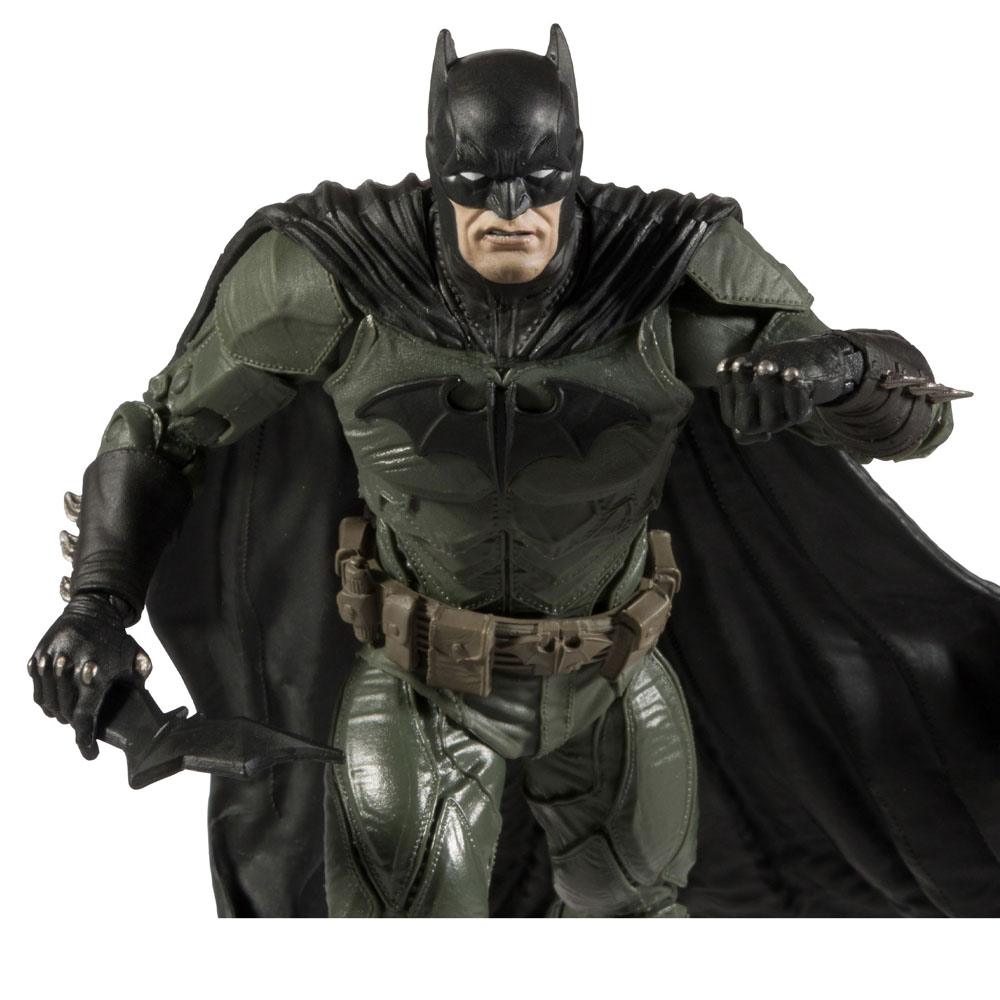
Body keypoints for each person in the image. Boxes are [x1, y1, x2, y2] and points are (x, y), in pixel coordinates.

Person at [28, 26, 999, 917]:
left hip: (613, 672)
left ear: (572, 162)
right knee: (401, 934)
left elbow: (908, 416)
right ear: (436, 166)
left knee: (639, 913)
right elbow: (163, 431)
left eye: (537, 181)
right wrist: (96, 603)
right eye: (477, 182)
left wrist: (836, 369)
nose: (509, 211)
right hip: (420, 681)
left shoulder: (664, 271)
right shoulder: (338, 275)